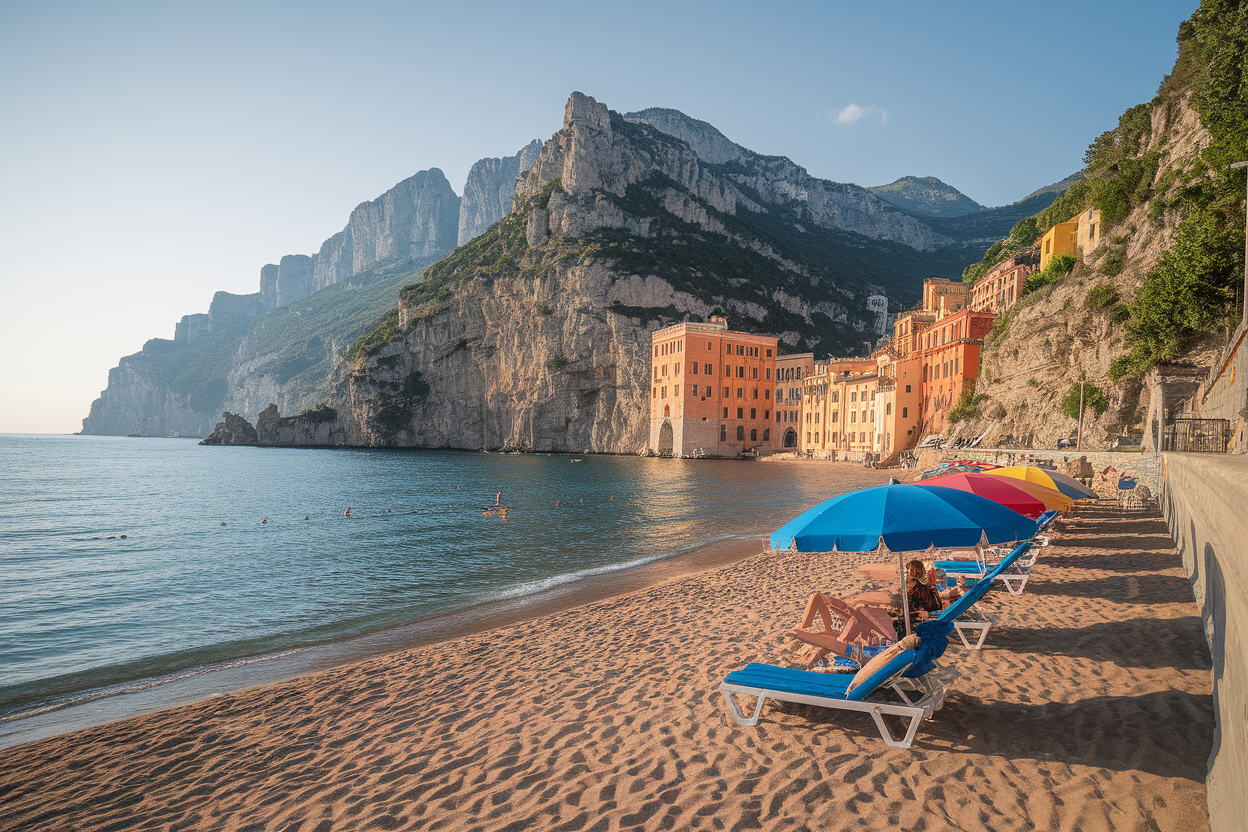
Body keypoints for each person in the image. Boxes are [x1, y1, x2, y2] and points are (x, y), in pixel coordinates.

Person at [905, 559, 943, 626]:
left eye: (909, 574)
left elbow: (938, 610)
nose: (907, 577)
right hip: (915, 622)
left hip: (921, 624)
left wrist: (928, 614)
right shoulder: (929, 589)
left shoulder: (925, 590)